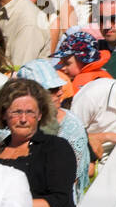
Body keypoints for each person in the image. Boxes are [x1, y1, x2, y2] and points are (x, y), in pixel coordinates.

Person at [0, 78, 77, 207]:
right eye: (16, 112)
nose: (23, 119)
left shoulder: (55, 148)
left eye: (30, 112)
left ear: (40, 115)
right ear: (3, 114)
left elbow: (60, 204)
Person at [15, 58, 91, 198]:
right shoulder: (8, 126)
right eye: (52, 90)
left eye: (59, 88)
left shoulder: (71, 126)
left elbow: (71, 178)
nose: (60, 93)